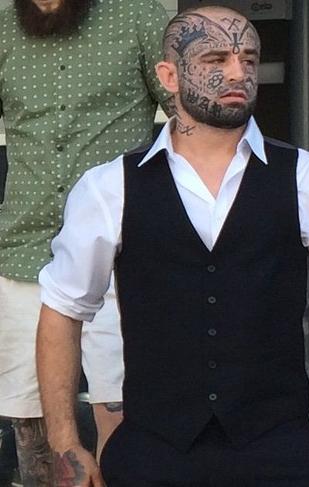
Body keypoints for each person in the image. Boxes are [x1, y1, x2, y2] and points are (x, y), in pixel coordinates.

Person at [36, 5, 309, 487]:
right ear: (169, 75)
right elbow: (61, 310)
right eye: (216, 59)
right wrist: (65, 443)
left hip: (281, 453)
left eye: (249, 58)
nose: (238, 73)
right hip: (151, 454)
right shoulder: (108, 187)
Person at [0, 0, 172, 484]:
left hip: (122, 251)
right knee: (28, 415)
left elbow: (189, 112)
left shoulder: (139, 16)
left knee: (121, 406)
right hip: (24, 247)